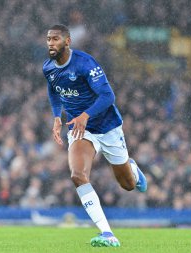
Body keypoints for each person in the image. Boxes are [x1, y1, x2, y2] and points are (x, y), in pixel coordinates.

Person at [42, 24, 147, 248]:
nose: (51, 43)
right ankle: (107, 233)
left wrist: (85, 115)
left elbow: (108, 96)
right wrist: (56, 116)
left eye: (56, 39)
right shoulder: (49, 68)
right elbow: (53, 90)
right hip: (81, 130)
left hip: (107, 127)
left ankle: (133, 171)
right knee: (77, 174)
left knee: (127, 185)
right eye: (49, 39)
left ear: (67, 41)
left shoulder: (85, 63)